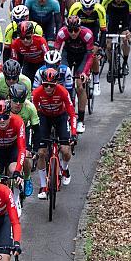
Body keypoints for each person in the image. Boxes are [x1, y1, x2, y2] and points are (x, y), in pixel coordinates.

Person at [32, 68, 77, 198]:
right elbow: (33, 114)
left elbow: (72, 114)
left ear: (56, 84)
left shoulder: (62, 92)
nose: (48, 88)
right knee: (41, 153)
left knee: (65, 150)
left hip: (60, 117)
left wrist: (73, 133)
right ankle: (43, 186)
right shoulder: (36, 93)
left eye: (51, 86)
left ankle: (64, 168)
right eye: (45, 85)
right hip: (44, 117)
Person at [55, 15, 94, 133]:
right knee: (62, 82)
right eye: (70, 30)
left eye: (76, 30)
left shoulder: (87, 34)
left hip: (83, 56)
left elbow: (90, 56)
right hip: (68, 55)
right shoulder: (62, 33)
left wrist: (84, 72)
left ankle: (81, 120)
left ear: (80, 28)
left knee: (79, 85)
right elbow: (56, 53)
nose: (73, 33)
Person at [68, 0, 107, 94]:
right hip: (78, 29)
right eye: (85, 8)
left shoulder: (99, 9)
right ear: (81, 5)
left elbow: (103, 31)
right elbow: (69, 25)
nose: (88, 11)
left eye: (91, 8)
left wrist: (100, 47)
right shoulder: (75, 7)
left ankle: (96, 81)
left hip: (93, 28)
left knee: (93, 53)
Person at [8, 83, 40, 197]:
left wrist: (35, 150)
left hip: (24, 131)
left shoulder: (30, 107)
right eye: (15, 100)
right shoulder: (4, 108)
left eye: (20, 100)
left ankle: (27, 179)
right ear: (9, 98)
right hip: (8, 134)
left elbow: (37, 130)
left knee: (25, 156)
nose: (17, 104)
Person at [101, 0, 131, 76]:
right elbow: (102, 14)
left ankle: (125, 63)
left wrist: (129, 30)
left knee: (125, 40)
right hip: (113, 18)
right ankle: (111, 65)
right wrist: (103, 28)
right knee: (108, 45)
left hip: (125, 17)